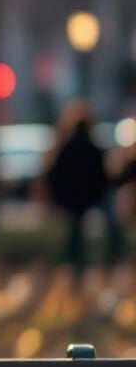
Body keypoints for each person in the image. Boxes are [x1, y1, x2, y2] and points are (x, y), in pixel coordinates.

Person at [40, 99, 125, 277]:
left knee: (75, 230)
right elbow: (104, 175)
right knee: (109, 220)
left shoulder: (64, 147)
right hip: (91, 196)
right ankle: (116, 255)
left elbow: (52, 174)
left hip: (74, 199)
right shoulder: (91, 146)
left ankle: (74, 262)